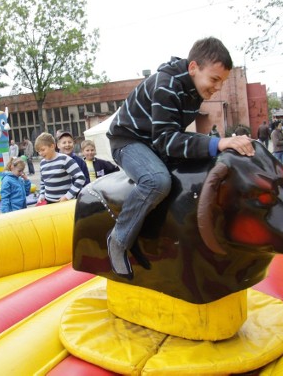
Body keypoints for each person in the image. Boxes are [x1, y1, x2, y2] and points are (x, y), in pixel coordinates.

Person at [106, 37, 254, 279]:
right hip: (128, 141)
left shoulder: (194, 89)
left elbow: (172, 137)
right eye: (214, 79)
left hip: (154, 142)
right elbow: (167, 140)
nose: (217, 87)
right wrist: (219, 142)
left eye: (222, 82)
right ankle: (118, 239)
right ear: (193, 67)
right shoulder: (167, 84)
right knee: (157, 181)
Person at [35, 132, 86, 204]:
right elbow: (43, 181)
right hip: (49, 202)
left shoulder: (65, 159)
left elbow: (81, 178)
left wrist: (68, 196)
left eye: (43, 150)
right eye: (38, 151)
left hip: (65, 202)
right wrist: (42, 195)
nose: (40, 153)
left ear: (52, 146)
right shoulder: (42, 163)